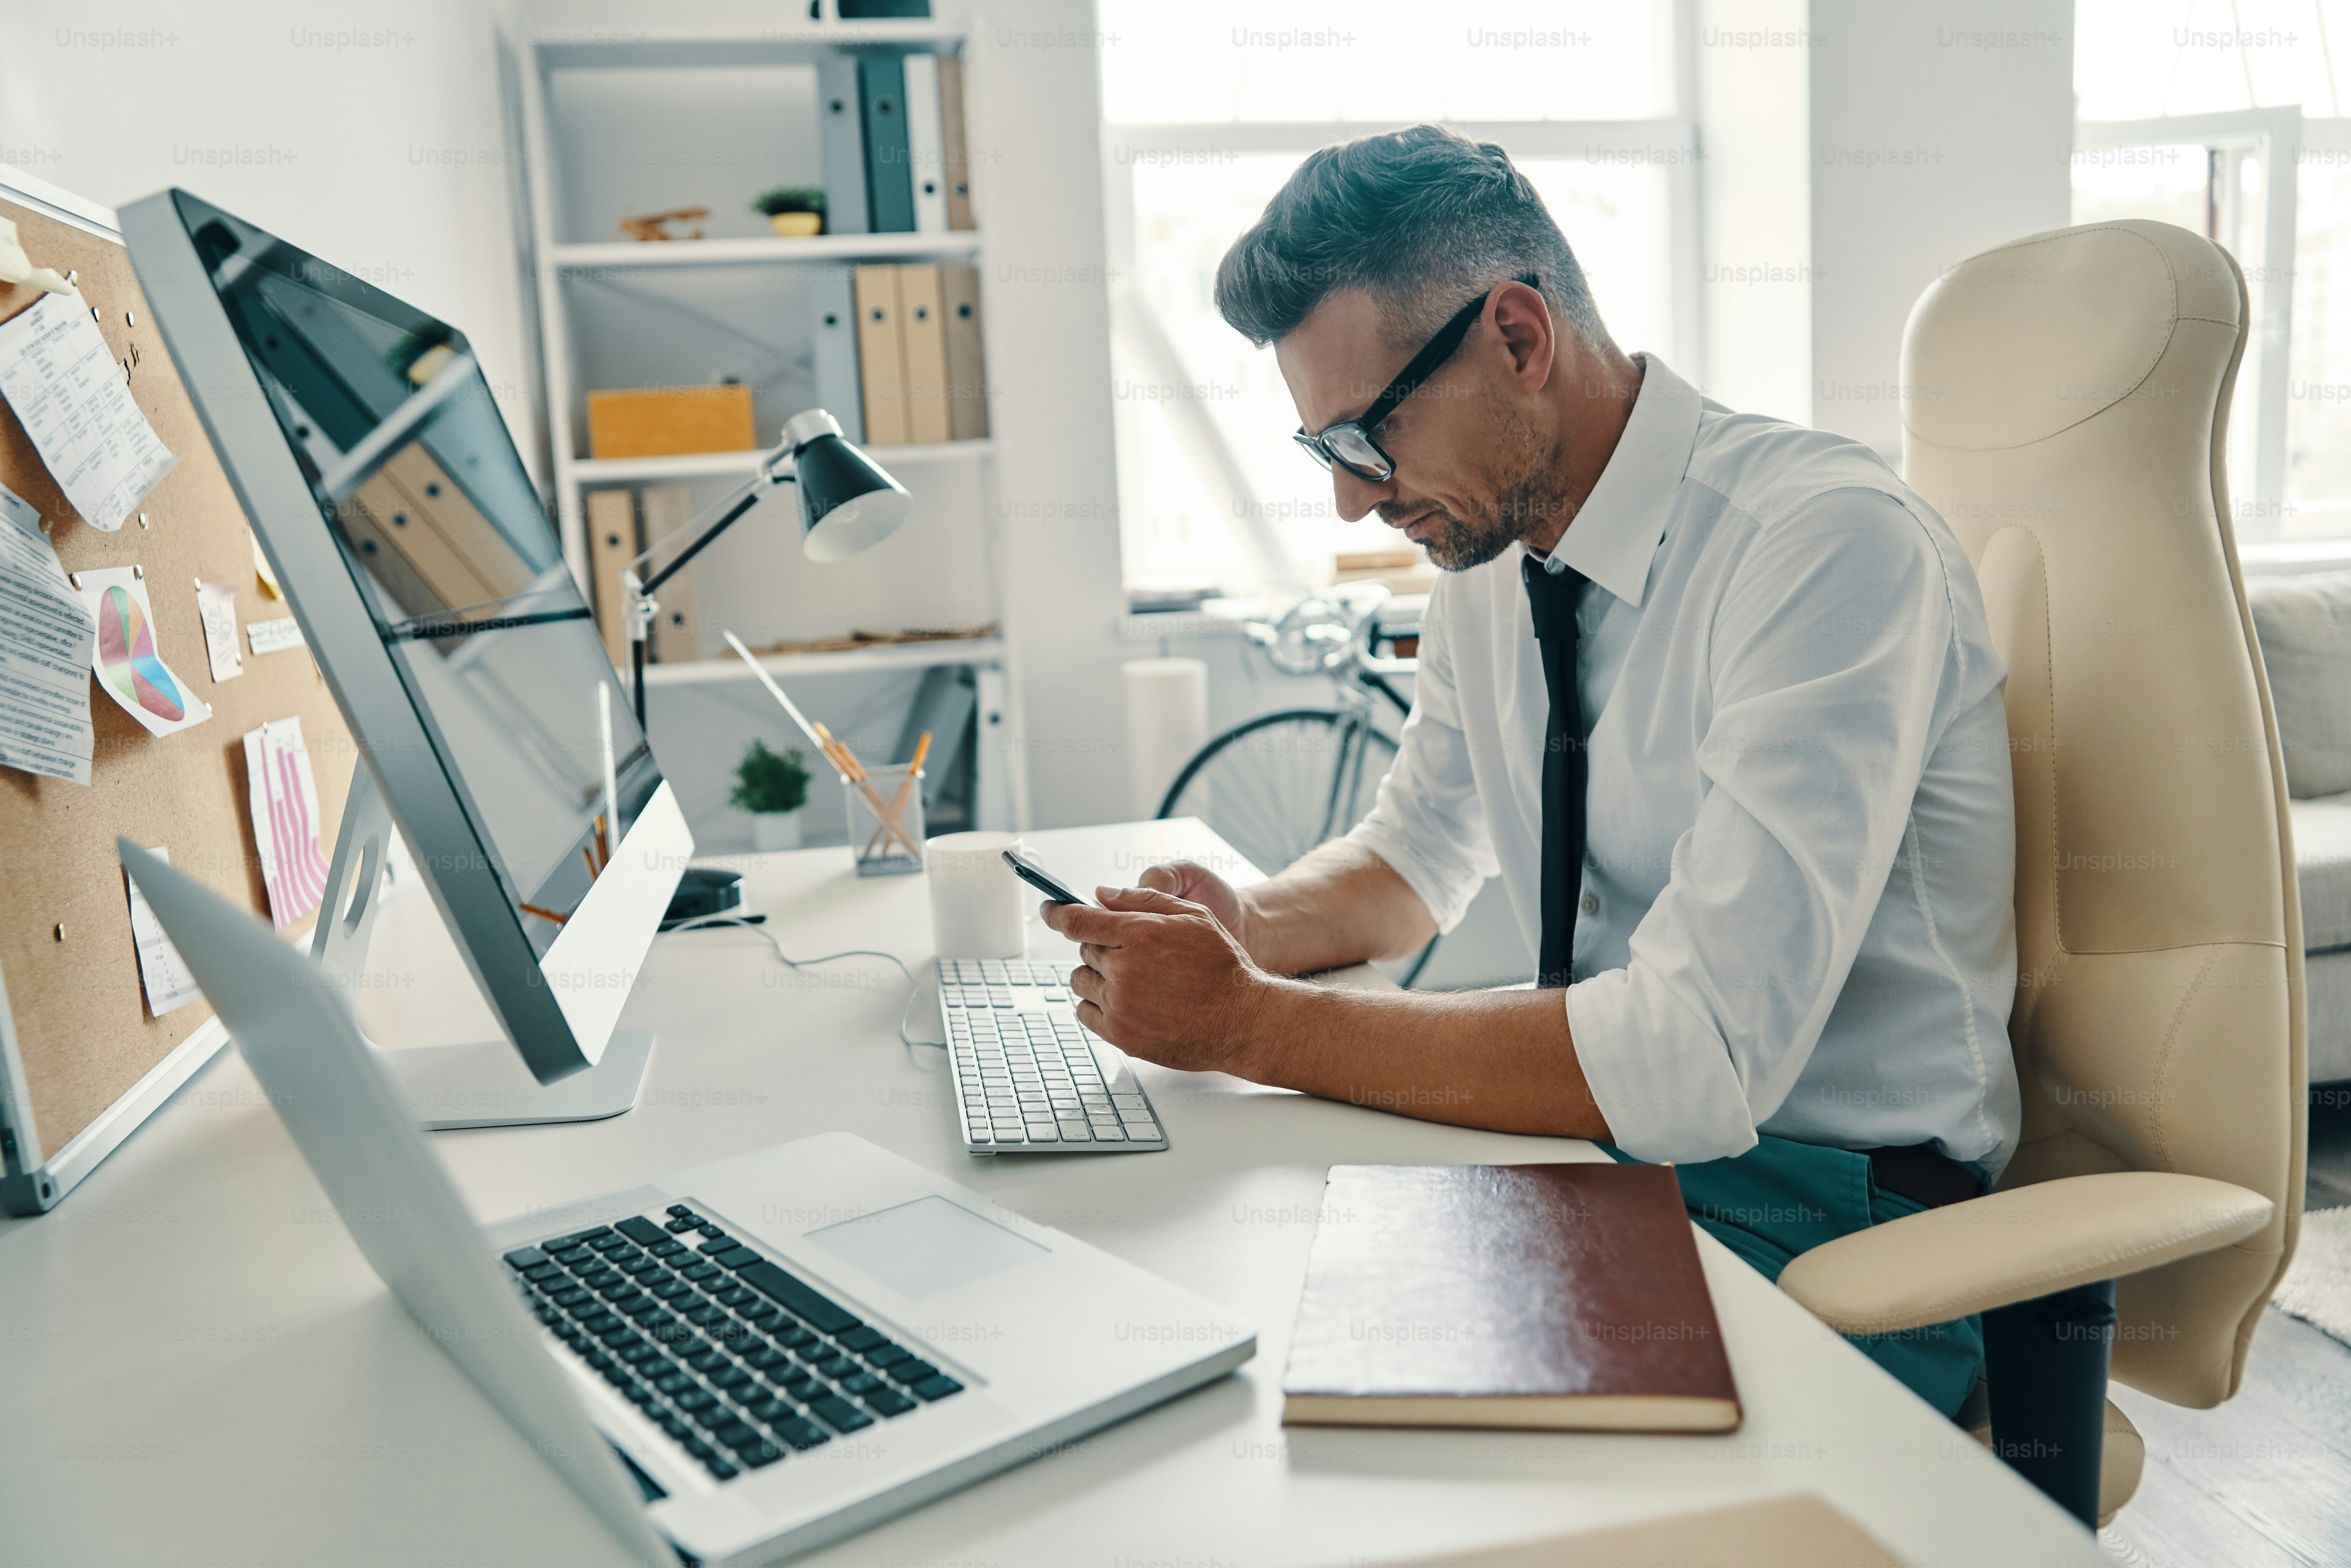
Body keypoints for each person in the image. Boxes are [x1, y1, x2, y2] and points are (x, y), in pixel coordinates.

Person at [1042, 125, 2019, 1417]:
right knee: (1208, 1313)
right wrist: (1251, 927)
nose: (1352, 503)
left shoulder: (1822, 546)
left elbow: (1690, 1058)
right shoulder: (1493, 563)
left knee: (1307, 1421)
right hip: (1612, 1160)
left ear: (1516, 337)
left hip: (1846, 1222)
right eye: (1323, 453)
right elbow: (1409, 859)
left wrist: (1245, 1024)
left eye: (1367, 436)